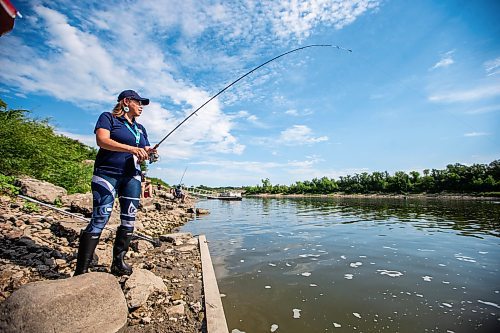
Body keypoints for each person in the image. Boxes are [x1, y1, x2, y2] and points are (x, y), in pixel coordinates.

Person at [74, 89, 157, 276]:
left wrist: (150, 153)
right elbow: (102, 141)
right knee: (100, 218)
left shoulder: (140, 129)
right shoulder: (108, 118)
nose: (141, 106)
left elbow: (144, 151)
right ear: (126, 101)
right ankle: (81, 270)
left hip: (132, 177)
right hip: (107, 174)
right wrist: (133, 149)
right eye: (138, 102)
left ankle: (118, 263)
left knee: (129, 220)